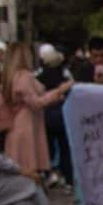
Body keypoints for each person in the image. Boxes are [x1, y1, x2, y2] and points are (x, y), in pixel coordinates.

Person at [0, 41, 69, 178]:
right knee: (29, 168)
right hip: (27, 124)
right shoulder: (24, 77)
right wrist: (59, 91)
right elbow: (36, 102)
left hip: (15, 124)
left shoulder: (8, 77)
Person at [37, 43, 74, 183]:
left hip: (47, 117)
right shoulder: (65, 78)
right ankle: (68, 177)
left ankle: (49, 173)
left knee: (48, 148)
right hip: (63, 116)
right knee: (65, 149)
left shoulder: (39, 78)